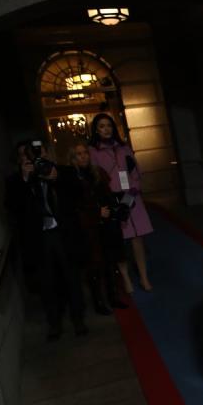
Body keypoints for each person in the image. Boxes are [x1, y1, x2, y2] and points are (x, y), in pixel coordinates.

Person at [4, 140, 87, 340]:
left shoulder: (63, 172)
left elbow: (80, 195)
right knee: (47, 284)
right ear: (20, 159)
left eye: (36, 152)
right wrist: (25, 179)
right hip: (39, 238)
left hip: (63, 235)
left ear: (46, 152)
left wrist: (55, 179)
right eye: (25, 154)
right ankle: (54, 323)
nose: (31, 157)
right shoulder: (16, 181)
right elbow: (12, 208)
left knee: (72, 279)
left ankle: (78, 320)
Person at [88, 113, 154, 293]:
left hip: (132, 196)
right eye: (101, 126)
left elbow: (136, 170)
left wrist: (134, 189)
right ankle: (125, 277)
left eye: (108, 125)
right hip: (113, 198)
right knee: (119, 240)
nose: (106, 129)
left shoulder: (124, 147)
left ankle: (144, 277)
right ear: (96, 130)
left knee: (138, 238)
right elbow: (94, 178)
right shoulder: (93, 151)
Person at [68, 139, 127, 315]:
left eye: (85, 153)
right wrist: (96, 212)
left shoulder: (98, 172)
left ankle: (113, 297)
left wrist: (115, 208)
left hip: (106, 224)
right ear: (73, 158)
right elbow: (74, 206)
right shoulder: (72, 178)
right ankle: (99, 302)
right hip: (88, 229)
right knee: (94, 266)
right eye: (78, 154)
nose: (83, 156)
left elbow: (107, 194)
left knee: (110, 262)